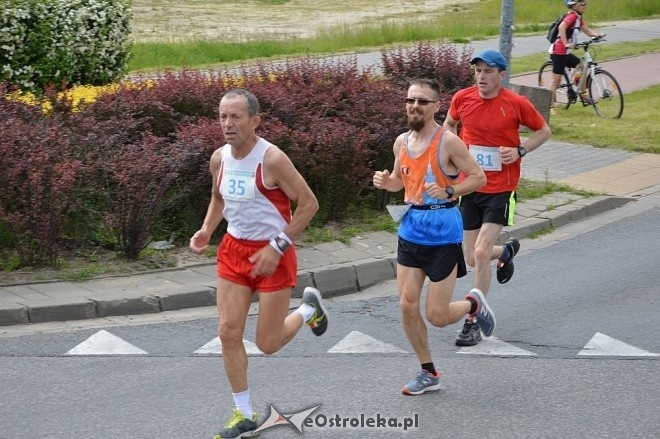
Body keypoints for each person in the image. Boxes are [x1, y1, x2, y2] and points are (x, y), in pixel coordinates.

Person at [189, 88, 328, 438]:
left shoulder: (272, 160)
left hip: (273, 255)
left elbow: (309, 204)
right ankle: (244, 413)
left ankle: (309, 311)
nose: (227, 124)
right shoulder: (219, 158)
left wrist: (277, 245)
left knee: (267, 343)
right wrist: (207, 229)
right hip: (234, 251)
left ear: (255, 121)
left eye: (236, 116)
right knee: (228, 331)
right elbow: (217, 196)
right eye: (222, 116)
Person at [373, 78, 494, 396]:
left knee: (437, 316)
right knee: (406, 304)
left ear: (437, 107)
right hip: (411, 230)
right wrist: (387, 183)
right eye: (410, 100)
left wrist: (449, 189)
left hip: (443, 234)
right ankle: (428, 372)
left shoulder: (448, 142)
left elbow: (479, 178)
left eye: (422, 102)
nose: (414, 106)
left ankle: (473, 304)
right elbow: (401, 181)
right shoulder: (401, 142)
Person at [443, 50, 551, 347]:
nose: (481, 76)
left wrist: (520, 150)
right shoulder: (462, 98)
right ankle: (504, 253)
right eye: (477, 71)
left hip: (501, 188)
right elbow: (449, 125)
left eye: (488, 71)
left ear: (501, 75)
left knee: (479, 253)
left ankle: (474, 319)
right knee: (468, 255)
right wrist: (452, 157)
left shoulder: (516, 104)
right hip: (470, 187)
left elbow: (544, 130)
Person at [549, 0, 606, 113]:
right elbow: (561, 27)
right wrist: (566, 44)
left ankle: (583, 95)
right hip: (558, 52)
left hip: (565, 52)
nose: (585, 6)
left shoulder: (578, 18)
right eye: (582, 4)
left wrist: (597, 35)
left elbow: (587, 30)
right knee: (556, 81)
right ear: (574, 6)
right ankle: (551, 107)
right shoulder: (571, 17)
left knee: (582, 65)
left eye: (585, 4)